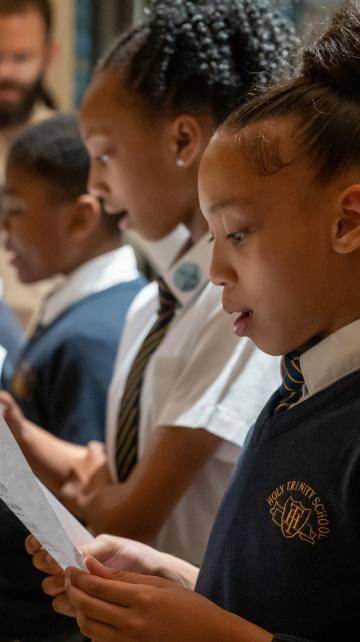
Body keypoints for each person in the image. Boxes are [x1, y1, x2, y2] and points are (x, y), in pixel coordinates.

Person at [27, 1, 360, 640]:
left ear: (346, 222)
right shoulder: (299, 391)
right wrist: (175, 582)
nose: (214, 271)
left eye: (236, 233)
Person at [1, 0, 294, 570]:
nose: (95, 184)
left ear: (183, 142)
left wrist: (99, 490)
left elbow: (126, 517)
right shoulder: (152, 303)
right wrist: (22, 434)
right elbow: (116, 473)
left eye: (105, 154)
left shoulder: (236, 305)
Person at [0, 114, 146, 642]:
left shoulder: (92, 336)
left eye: (15, 213)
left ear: (82, 219)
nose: (4, 229)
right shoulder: (74, 312)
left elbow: (79, 517)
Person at [0, 0, 57, 330]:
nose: (4, 72)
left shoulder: (82, 151)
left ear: (49, 55)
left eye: (20, 57)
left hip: (50, 351)